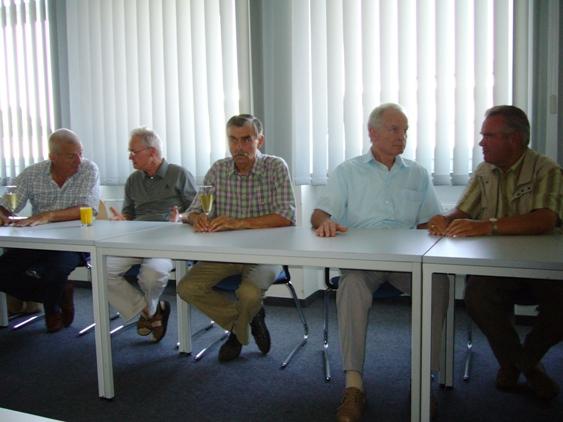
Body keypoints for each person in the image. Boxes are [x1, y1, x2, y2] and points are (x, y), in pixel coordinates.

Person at [311, 103, 449, 422]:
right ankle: (353, 386)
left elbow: (429, 220)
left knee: (438, 283)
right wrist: (325, 222)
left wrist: (439, 223)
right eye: (394, 129)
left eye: (405, 130)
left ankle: (423, 381)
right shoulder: (347, 171)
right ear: (372, 133)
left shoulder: (417, 173)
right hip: (363, 260)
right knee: (351, 285)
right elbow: (319, 213)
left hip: (408, 261)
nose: (402, 137)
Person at [428, 105, 563, 400]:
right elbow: (463, 211)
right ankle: (522, 365)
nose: (481, 143)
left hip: (542, 269)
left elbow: (544, 220)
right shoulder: (484, 171)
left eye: (488, 136)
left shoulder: (546, 170)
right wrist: (443, 219)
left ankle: (523, 361)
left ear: (514, 139)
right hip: (497, 269)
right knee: (477, 296)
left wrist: (488, 226)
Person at [176, 114, 296, 361]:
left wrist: (239, 223)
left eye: (246, 140)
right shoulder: (218, 169)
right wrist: (196, 218)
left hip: (266, 251)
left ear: (259, 140)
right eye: (233, 140)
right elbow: (192, 211)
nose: (239, 147)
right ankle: (248, 319)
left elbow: (286, 216)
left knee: (249, 294)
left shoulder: (275, 167)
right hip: (224, 253)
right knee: (187, 288)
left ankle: (236, 334)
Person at [0, 128, 100, 332]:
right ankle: (58, 295)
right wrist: (2, 212)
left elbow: (88, 209)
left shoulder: (88, 169)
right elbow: (7, 205)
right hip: (37, 240)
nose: (78, 160)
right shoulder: (32, 173)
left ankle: (52, 307)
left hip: (74, 241)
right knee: (3, 271)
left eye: (80, 153)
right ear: (53, 157)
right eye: (72, 156)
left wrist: (48, 215)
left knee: (55, 271)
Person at [106, 127, 196, 342]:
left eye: (134, 152)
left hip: (168, 241)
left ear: (152, 152)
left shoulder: (179, 174)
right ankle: (150, 311)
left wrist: (181, 217)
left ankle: (149, 312)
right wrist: (122, 220)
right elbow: (129, 213)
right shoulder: (133, 180)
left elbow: (198, 211)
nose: (130, 156)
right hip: (136, 239)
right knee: (102, 270)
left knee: (152, 275)